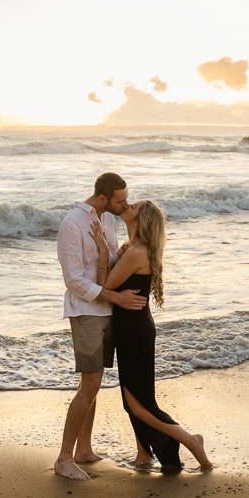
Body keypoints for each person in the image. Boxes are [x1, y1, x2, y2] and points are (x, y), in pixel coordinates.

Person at [90, 199, 212, 471]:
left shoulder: (136, 252)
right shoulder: (134, 250)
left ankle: (192, 441)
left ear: (141, 218)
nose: (128, 204)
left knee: (137, 403)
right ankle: (144, 454)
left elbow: (103, 289)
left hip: (134, 330)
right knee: (135, 398)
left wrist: (101, 253)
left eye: (134, 205)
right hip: (134, 328)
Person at [54, 172, 149, 481]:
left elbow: (105, 262)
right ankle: (64, 459)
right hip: (87, 312)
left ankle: (84, 450)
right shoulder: (72, 224)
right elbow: (74, 281)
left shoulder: (107, 218)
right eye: (120, 200)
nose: (125, 206)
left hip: (107, 310)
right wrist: (115, 297)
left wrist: (118, 253)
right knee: (91, 385)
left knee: (91, 384)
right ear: (102, 197)